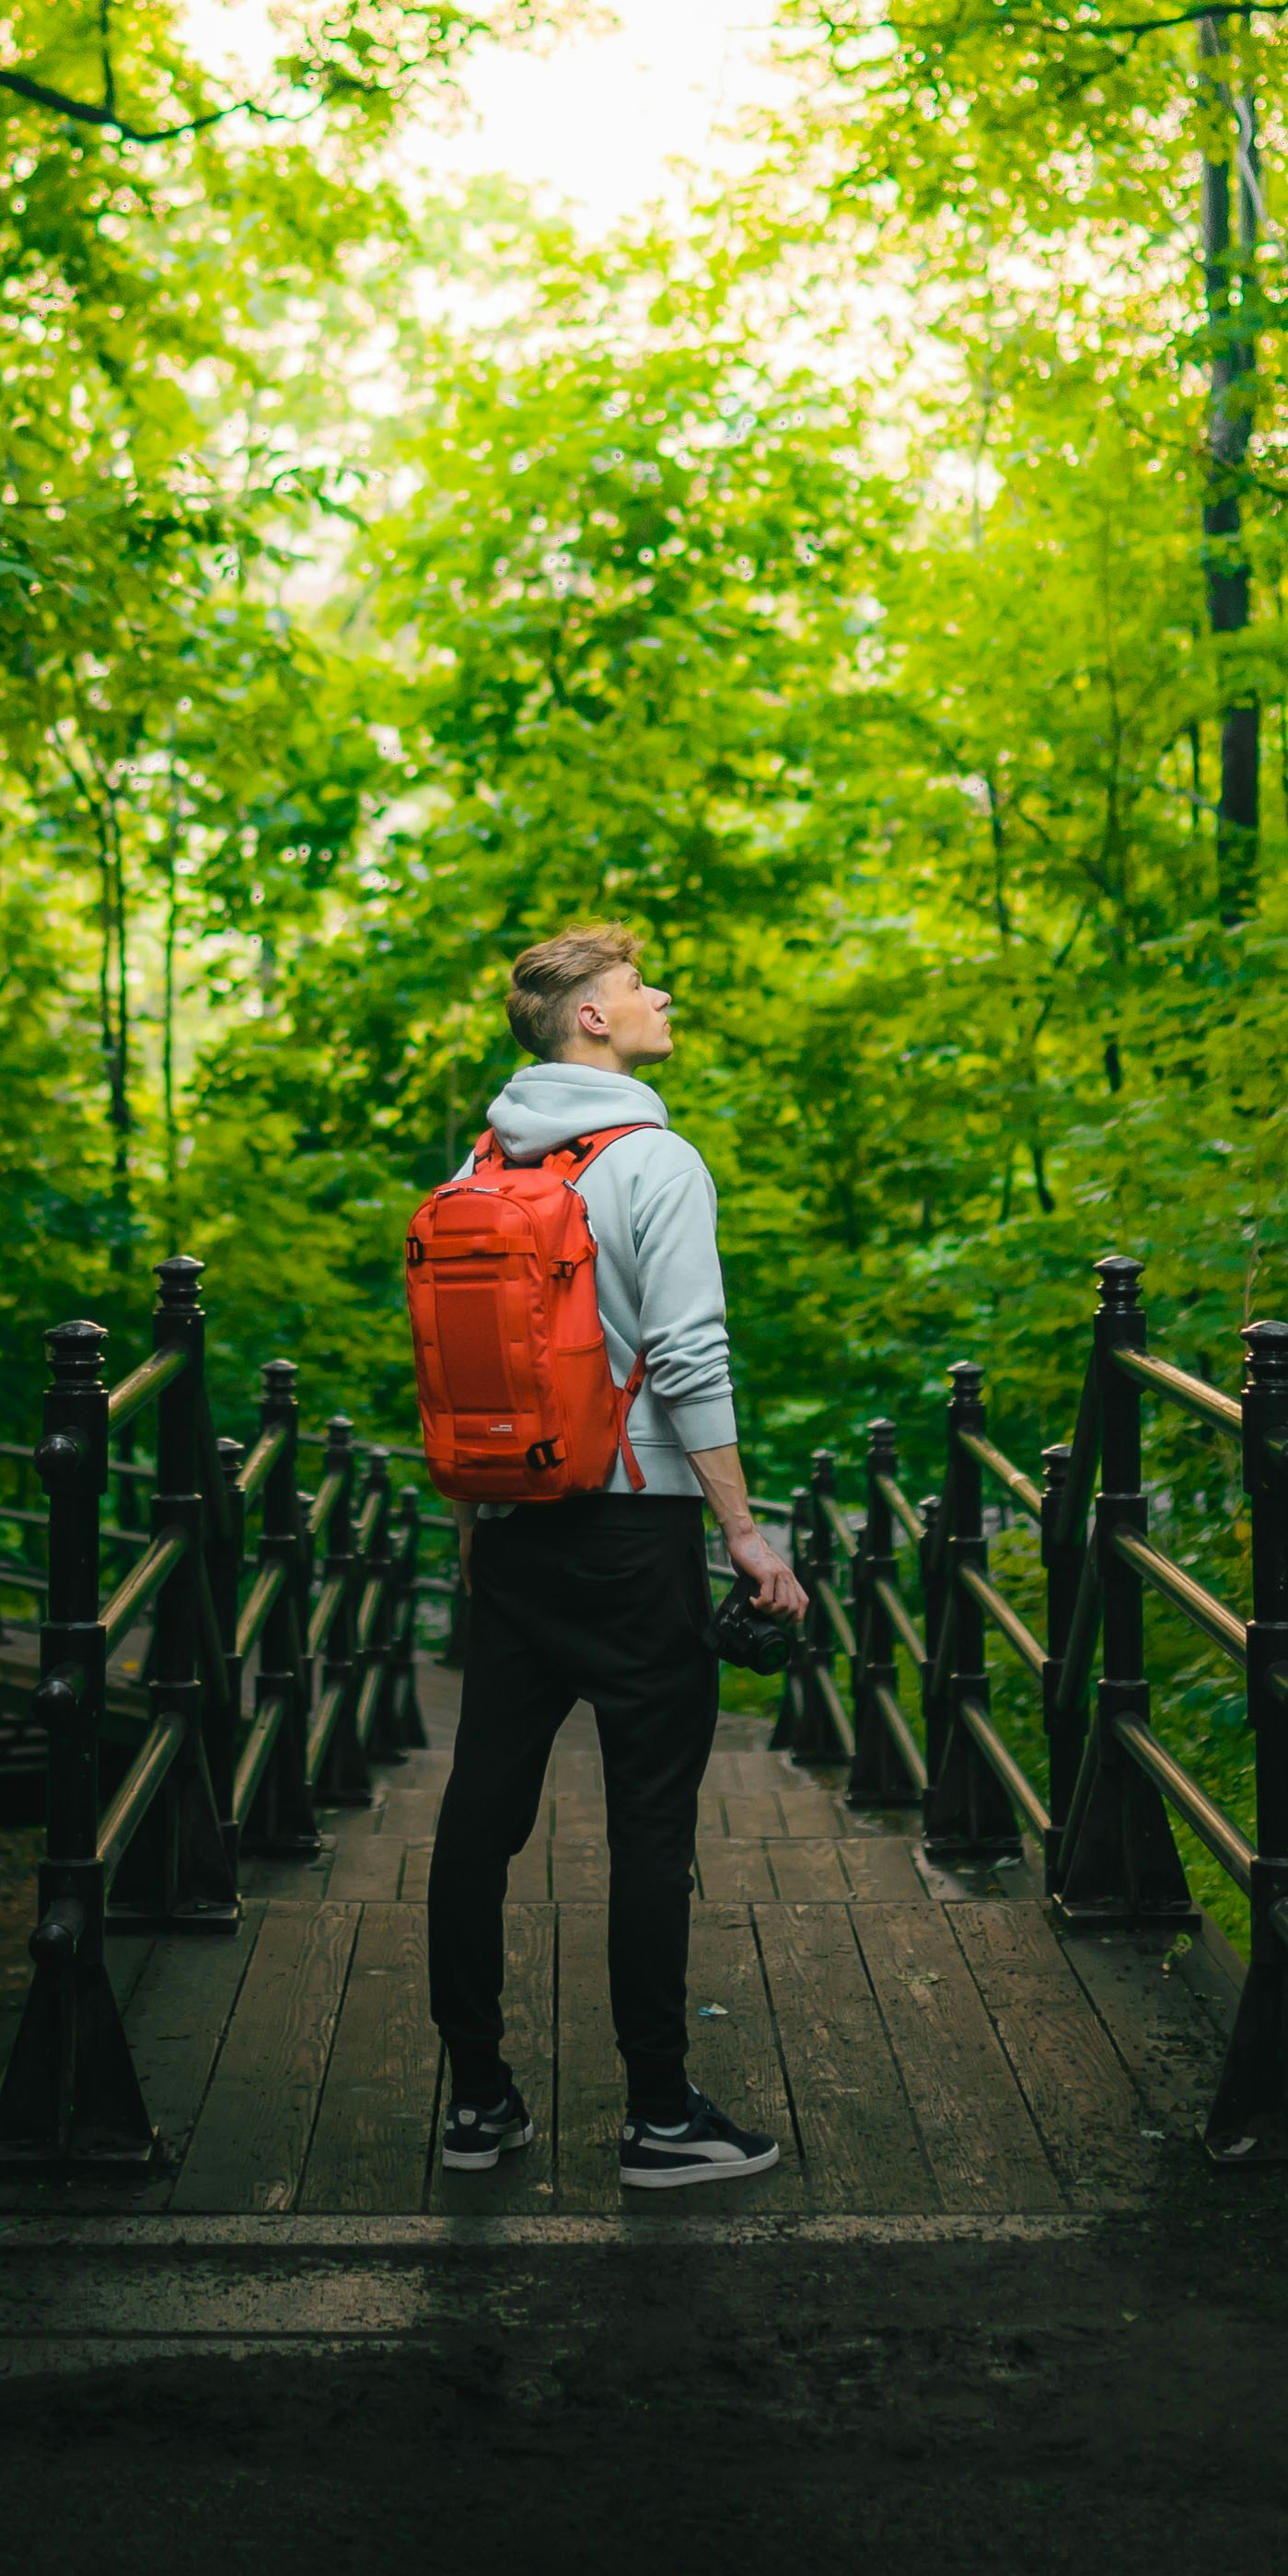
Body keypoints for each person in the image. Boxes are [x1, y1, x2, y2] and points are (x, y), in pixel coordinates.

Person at [423, 923, 808, 2192]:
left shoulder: (479, 1156)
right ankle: (657, 2116)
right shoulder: (653, 1157)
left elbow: (463, 1361)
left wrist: (474, 1531)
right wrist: (745, 1533)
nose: (659, 994)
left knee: (481, 1811)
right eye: (639, 984)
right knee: (650, 1824)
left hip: (513, 1525)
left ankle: (475, 2100)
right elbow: (689, 1357)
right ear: (589, 1017)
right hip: (634, 1528)